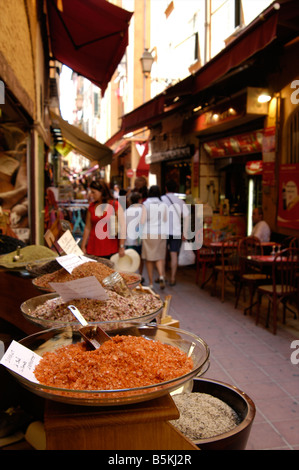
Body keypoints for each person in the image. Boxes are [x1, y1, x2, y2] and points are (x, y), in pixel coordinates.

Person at [81, 179, 126, 259]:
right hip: (93, 247)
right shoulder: (91, 207)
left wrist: (121, 246)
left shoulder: (114, 205)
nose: (91, 195)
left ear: (101, 191)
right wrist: (83, 246)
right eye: (90, 192)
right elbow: (87, 227)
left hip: (111, 248)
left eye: (93, 192)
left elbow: (123, 226)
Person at [161, 179, 190, 286]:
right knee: (174, 254)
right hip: (176, 231)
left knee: (162, 255)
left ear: (166, 188)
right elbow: (187, 217)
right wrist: (185, 233)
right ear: (176, 189)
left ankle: (162, 275)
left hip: (163, 231)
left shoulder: (161, 200)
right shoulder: (180, 201)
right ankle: (173, 278)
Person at [141, 185, 168, 289]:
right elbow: (165, 219)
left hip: (148, 232)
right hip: (161, 232)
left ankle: (151, 283)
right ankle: (161, 276)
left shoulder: (145, 204)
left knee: (149, 258)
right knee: (159, 257)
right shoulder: (163, 205)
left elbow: (142, 221)